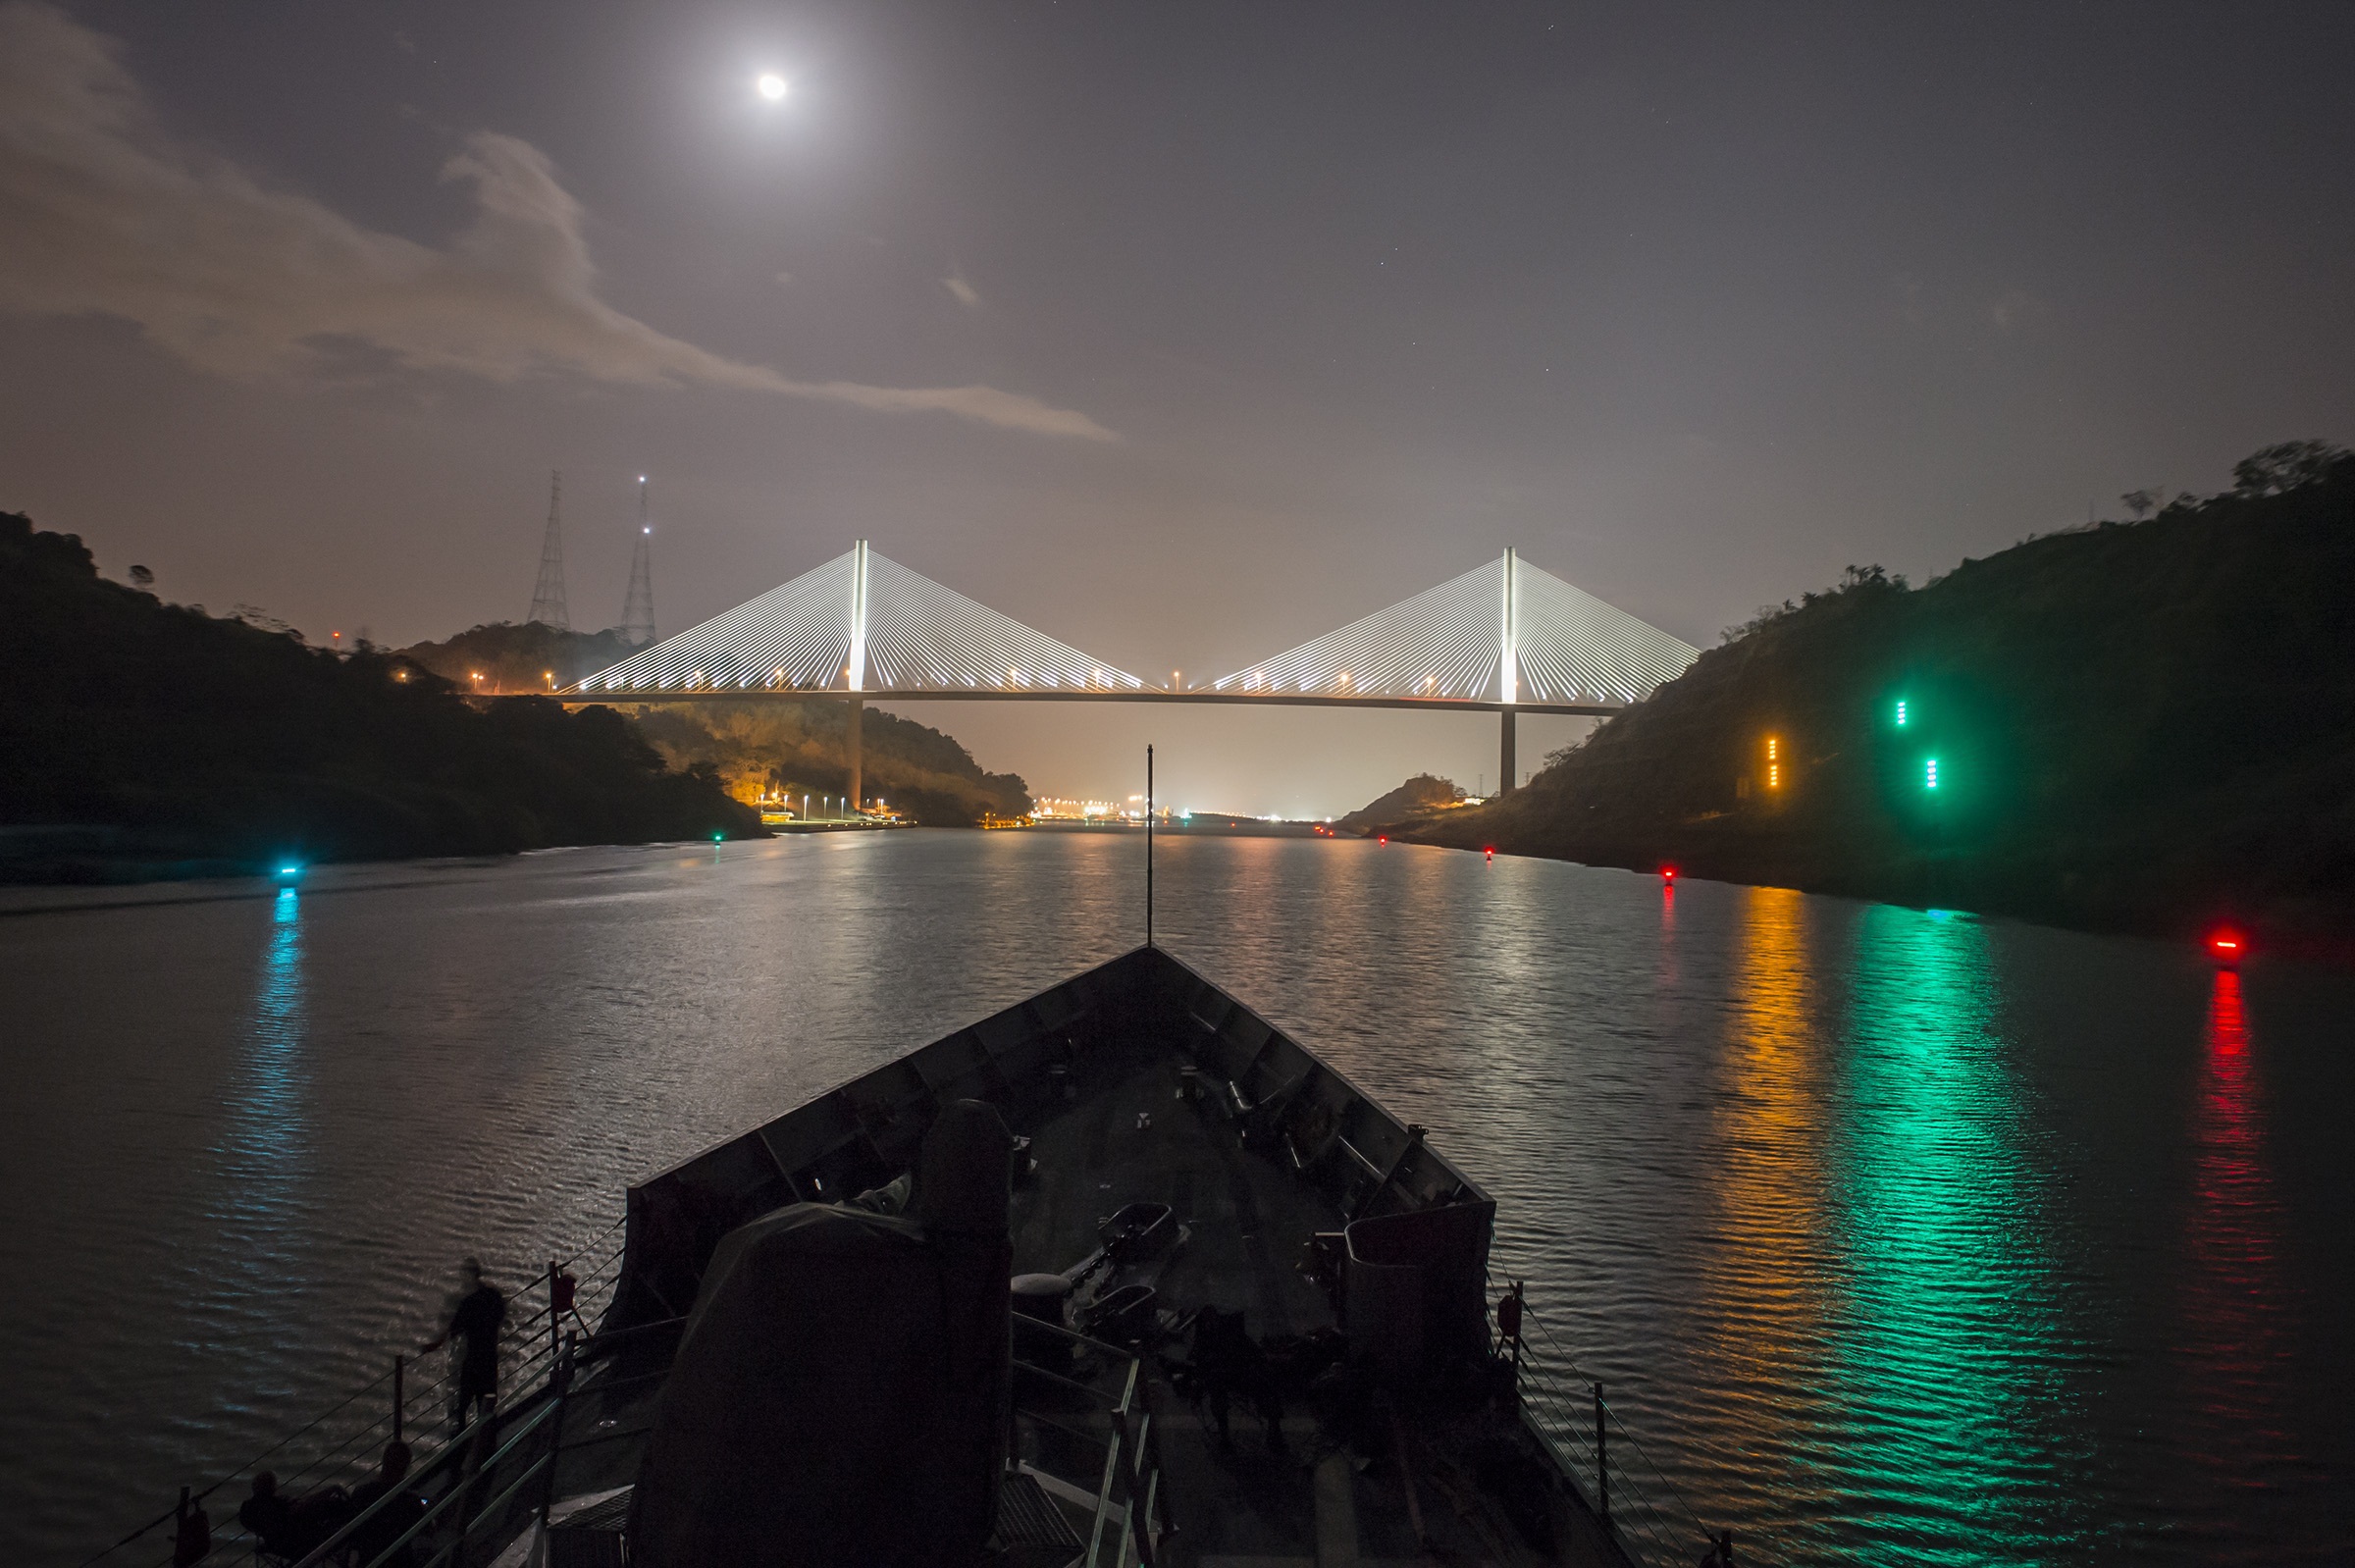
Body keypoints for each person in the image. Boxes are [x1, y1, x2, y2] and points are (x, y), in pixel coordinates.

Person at [422, 1257, 506, 1435]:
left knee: (463, 1404)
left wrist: (433, 1345)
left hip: (474, 1358)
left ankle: (460, 1443)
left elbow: (453, 1330)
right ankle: (488, 1438)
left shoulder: (467, 1303)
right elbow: (501, 1316)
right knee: (487, 1401)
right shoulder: (494, 1296)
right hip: (490, 1357)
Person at [346, 1440, 428, 1567]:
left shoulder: (360, 1493)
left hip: (367, 1560)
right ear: (405, 1468)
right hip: (400, 1561)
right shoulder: (409, 1500)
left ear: (384, 1463)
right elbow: (428, 1529)